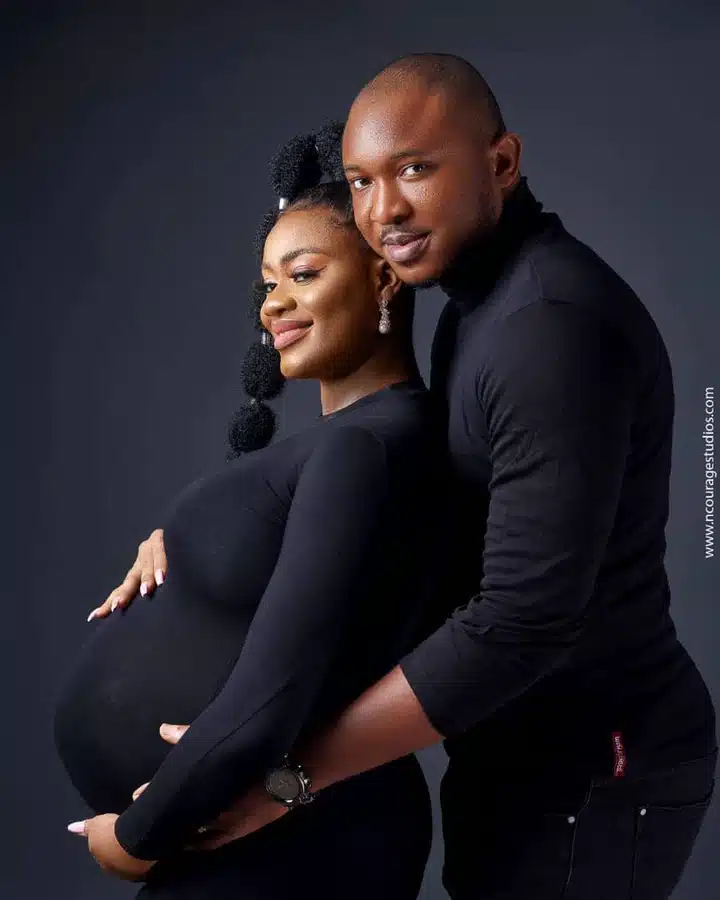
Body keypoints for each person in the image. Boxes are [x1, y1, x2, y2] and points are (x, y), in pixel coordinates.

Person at [71, 53, 718, 899]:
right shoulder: (478, 311)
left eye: (415, 170)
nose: (383, 212)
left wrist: (286, 777)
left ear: (501, 163)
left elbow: (521, 620)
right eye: (361, 182)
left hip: (593, 762)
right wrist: (197, 553)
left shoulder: (546, 328)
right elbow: (437, 536)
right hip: (514, 752)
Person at [55, 124, 462, 898]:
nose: (275, 304)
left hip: (288, 847)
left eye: (303, 274)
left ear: (384, 280)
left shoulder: (367, 447)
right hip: (262, 842)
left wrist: (136, 838)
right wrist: (180, 549)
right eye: (268, 284)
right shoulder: (358, 444)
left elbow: (269, 699)